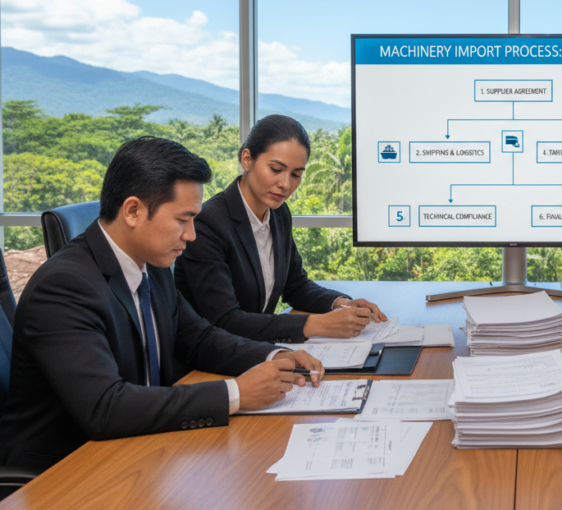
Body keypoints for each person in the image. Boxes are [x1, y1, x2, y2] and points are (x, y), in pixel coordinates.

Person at [0, 137, 324, 471]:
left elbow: (199, 339)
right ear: (133, 210)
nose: (192, 235)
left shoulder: (151, 267)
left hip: (141, 448)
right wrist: (236, 393)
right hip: (64, 469)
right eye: (183, 220)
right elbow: (105, 407)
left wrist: (275, 356)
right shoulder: (64, 287)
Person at [175, 115, 385, 344]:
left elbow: (295, 286)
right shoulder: (208, 224)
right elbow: (224, 320)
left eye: (296, 175)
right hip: (208, 361)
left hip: (257, 349)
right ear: (247, 159)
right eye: (276, 169)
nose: (286, 184)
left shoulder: (279, 214)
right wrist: (316, 325)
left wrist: (341, 303)